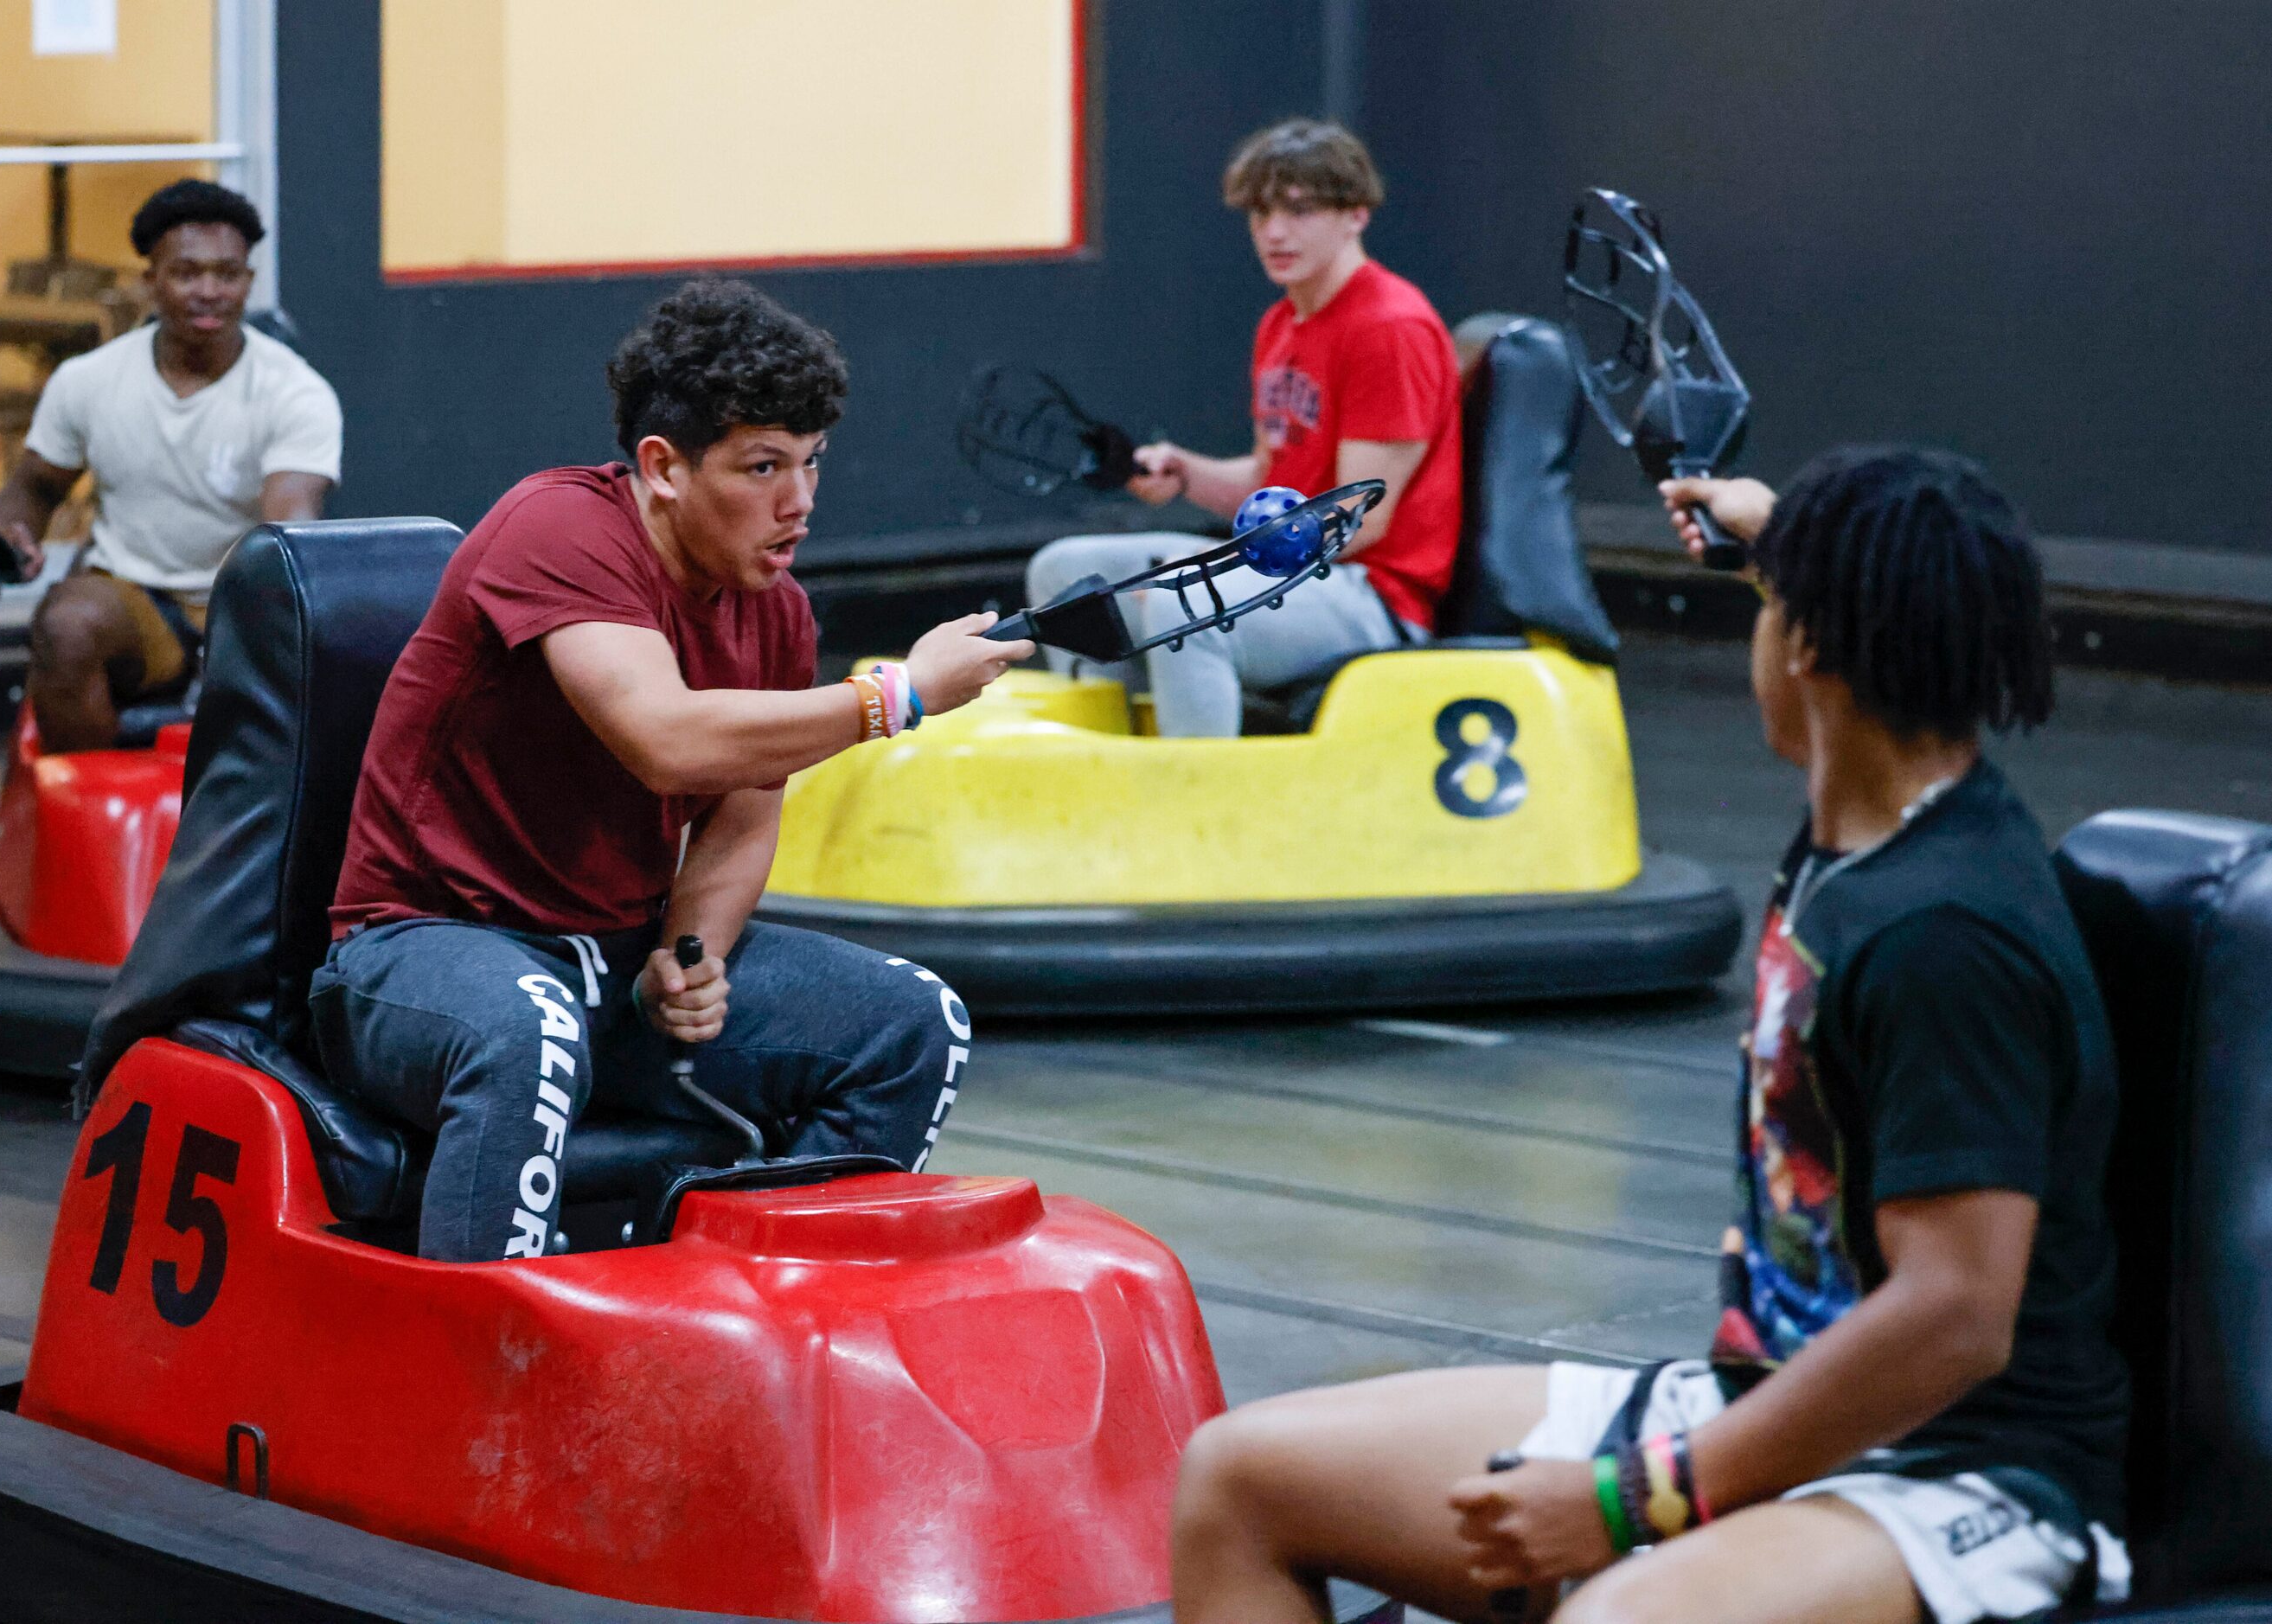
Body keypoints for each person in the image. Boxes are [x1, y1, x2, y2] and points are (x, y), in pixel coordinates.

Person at [1167, 447, 2130, 1624]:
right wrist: (1759, 522)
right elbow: (1852, 575)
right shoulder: (1872, 815)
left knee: (1618, 1617)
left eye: (1775, 599)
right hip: (1758, 1402)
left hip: (1960, 1471)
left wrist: (1639, 1497)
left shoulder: (1944, 930)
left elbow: (1956, 1317)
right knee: (1239, 1478)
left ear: (1813, 645)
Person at [310, 279, 1034, 1263]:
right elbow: (667, 739)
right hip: (418, 951)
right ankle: (491, 1386)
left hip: (610, 960)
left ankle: (738, 1314)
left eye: (812, 463)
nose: (800, 502)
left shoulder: (774, 608)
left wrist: (688, 957)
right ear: (662, 466)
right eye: (763, 467)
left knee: (914, 1025)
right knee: (533, 1031)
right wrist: (896, 697)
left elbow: (741, 814)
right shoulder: (559, 530)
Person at [1023, 118, 1462, 736]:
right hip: (1298, 575)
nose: (1274, 233)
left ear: (1355, 214)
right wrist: (1185, 475)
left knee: (1182, 602)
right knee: (1064, 574)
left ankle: (1198, 809)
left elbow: (1353, 524)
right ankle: (1113, 763)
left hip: (1373, 597)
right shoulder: (1282, 323)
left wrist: (1205, 568)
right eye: (1259, 214)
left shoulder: (1389, 327)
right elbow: (1268, 475)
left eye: (1299, 211)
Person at [0, 178, 342, 752]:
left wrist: (251, 629)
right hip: (133, 599)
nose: (208, 291)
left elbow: (290, 532)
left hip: (239, 604)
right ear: (150, 281)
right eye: (186, 273)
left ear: (247, 283)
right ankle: (91, 819)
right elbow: (32, 486)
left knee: (294, 617)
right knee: (65, 625)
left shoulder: (296, 393)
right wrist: (11, 532)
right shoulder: (89, 380)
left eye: (227, 275)